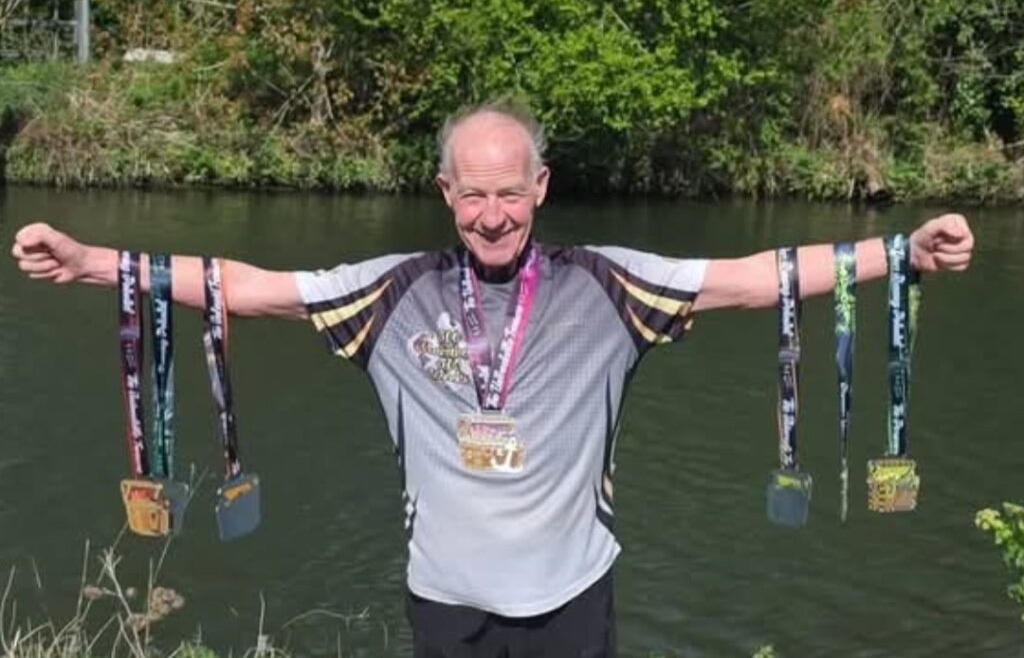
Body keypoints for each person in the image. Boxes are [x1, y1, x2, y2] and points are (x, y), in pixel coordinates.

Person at [11, 99, 974, 657]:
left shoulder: (613, 284)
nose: (492, 212)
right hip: (447, 601)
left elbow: (756, 278)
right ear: (445, 193)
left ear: (540, 188)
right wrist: (96, 261)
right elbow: (253, 287)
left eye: (510, 190)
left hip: (572, 602)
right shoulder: (388, 293)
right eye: (472, 191)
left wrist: (905, 255)